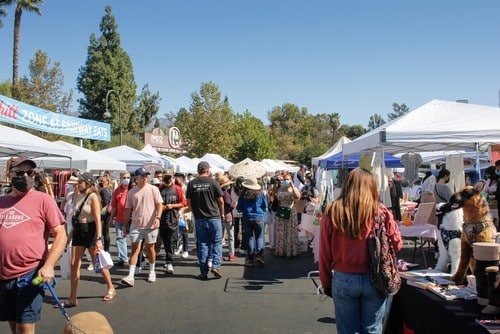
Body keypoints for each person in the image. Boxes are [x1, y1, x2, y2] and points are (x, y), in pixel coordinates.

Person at [319, 167, 403, 334]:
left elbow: (324, 252)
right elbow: (397, 244)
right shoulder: (380, 212)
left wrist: (326, 282)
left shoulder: (332, 211)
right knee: (372, 329)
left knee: (347, 330)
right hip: (376, 278)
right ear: (371, 187)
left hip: (343, 278)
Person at [0, 157, 67, 334]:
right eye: (20, 173)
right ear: (9, 175)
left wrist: (49, 265)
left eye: (30, 173)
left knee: (25, 328)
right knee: (14, 324)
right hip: (4, 277)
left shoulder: (43, 200)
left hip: (31, 275)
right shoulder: (1, 202)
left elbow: (61, 235)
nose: (26, 176)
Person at [66, 172, 116, 307]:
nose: (77, 185)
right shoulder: (77, 196)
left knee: (97, 262)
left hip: (91, 229)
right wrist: (69, 236)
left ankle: (110, 287)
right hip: (78, 230)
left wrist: (99, 238)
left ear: (87, 183)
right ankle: (72, 297)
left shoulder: (93, 197)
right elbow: (76, 218)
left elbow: (98, 219)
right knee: (74, 264)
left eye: (80, 182)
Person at [121, 167, 163, 286]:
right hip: (136, 224)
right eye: (143, 176)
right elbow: (128, 210)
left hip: (151, 225)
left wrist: (158, 218)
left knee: (150, 248)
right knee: (135, 249)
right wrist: (124, 226)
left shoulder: (153, 189)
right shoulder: (131, 192)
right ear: (136, 177)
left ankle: (152, 271)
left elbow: (159, 205)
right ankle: (130, 275)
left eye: (146, 175)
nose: (145, 177)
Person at [186, 161, 224, 280]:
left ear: (198, 171)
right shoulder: (213, 182)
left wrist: (194, 212)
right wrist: (222, 213)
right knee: (217, 242)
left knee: (203, 244)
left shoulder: (192, 183)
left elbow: (188, 201)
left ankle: (203, 272)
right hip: (214, 217)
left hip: (199, 218)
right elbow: (221, 200)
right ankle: (216, 266)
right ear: (207, 170)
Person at [236, 177, 268, 266]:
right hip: (258, 218)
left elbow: (238, 208)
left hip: (247, 217)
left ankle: (250, 259)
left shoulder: (242, 195)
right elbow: (265, 207)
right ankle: (259, 256)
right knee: (259, 237)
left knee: (249, 238)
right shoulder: (261, 194)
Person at [159, 172, 187, 274]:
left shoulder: (177, 188)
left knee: (172, 239)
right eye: (166, 178)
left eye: (169, 178)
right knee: (165, 239)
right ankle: (168, 258)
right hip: (161, 217)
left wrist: (172, 206)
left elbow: (183, 203)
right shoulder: (159, 188)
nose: (168, 180)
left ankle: (169, 261)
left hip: (173, 217)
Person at [107, 171, 131, 266]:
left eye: (128, 177)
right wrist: (111, 218)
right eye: (124, 177)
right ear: (120, 179)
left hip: (132, 219)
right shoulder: (117, 190)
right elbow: (114, 206)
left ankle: (136, 259)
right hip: (120, 218)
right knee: (120, 238)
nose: (126, 179)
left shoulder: (133, 188)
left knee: (135, 240)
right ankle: (124, 259)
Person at [275, 173, 301, 257]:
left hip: (290, 211)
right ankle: (281, 250)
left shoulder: (294, 189)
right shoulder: (281, 189)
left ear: (291, 180)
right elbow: (277, 198)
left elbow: (297, 197)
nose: (285, 181)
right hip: (282, 211)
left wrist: (292, 186)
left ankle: (291, 251)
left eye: (287, 179)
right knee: (281, 231)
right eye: (284, 179)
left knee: (290, 231)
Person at [219, 175, 238, 261]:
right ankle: (231, 254)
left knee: (219, 236)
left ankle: (218, 254)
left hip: (220, 215)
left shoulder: (219, 192)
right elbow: (229, 206)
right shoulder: (225, 193)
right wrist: (235, 204)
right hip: (227, 216)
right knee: (231, 236)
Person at [98, 174, 113, 252]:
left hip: (103, 213)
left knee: (104, 232)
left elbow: (105, 201)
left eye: (102, 181)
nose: (100, 183)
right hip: (107, 212)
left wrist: (98, 206)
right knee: (105, 232)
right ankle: (106, 249)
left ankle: (106, 250)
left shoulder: (104, 190)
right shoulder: (108, 190)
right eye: (100, 181)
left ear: (107, 182)